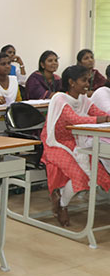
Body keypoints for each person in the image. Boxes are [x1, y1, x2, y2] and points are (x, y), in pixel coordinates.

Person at [42, 65, 110, 227]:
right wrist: (104, 119)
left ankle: (61, 198)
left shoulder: (83, 99)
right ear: (72, 82)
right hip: (56, 144)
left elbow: (98, 113)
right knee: (79, 176)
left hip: (76, 142)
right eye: (84, 80)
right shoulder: (59, 99)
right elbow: (75, 120)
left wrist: (106, 117)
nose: (88, 84)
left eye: (88, 80)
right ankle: (63, 206)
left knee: (95, 174)